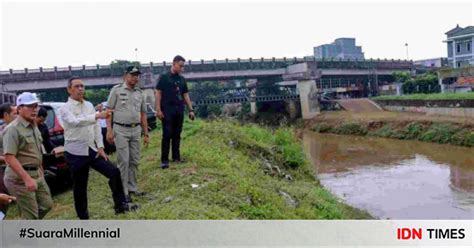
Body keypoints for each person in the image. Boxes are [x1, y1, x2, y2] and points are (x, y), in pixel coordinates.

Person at [60, 76, 138, 219]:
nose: (80, 89)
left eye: (82, 86)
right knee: (80, 186)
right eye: (77, 86)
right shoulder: (65, 108)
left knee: (114, 172)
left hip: (91, 149)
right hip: (75, 152)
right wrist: (96, 116)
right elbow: (74, 122)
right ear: (69, 89)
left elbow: (95, 128)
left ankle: (120, 205)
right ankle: (83, 218)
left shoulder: (89, 105)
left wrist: (100, 147)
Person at [3, 93, 53, 219]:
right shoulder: (13, 129)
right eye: (30, 106)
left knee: (47, 205)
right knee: (30, 215)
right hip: (19, 178)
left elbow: (35, 150)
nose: (34, 109)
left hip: (36, 173)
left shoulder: (33, 125)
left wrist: (40, 169)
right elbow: (9, 157)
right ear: (19, 109)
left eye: (36, 106)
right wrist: (26, 179)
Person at [106, 66, 149, 202]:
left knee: (134, 160)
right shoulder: (117, 90)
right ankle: (123, 192)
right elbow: (109, 111)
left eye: (137, 75)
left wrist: (146, 133)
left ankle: (132, 188)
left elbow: (143, 114)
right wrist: (109, 130)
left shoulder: (140, 93)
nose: (136, 77)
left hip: (136, 130)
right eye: (133, 75)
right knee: (123, 161)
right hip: (120, 129)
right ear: (125, 75)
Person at [155, 55, 195, 169]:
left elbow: (185, 95)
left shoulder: (182, 79)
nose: (182, 69)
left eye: (183, 67)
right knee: (167, 134)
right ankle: (164, 160)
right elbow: (158, 93)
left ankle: (176, 157)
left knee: (177, 134)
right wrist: (158, 109)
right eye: (180, 66)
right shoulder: (164, 77)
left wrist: (190, 109)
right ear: (174, 63)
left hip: (179, 110)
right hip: (167, 110)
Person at [0, 103, 17, 215]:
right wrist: (7, 159)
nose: (17, 116)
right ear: (6, 115)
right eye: (15, 113)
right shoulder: (2, 131)